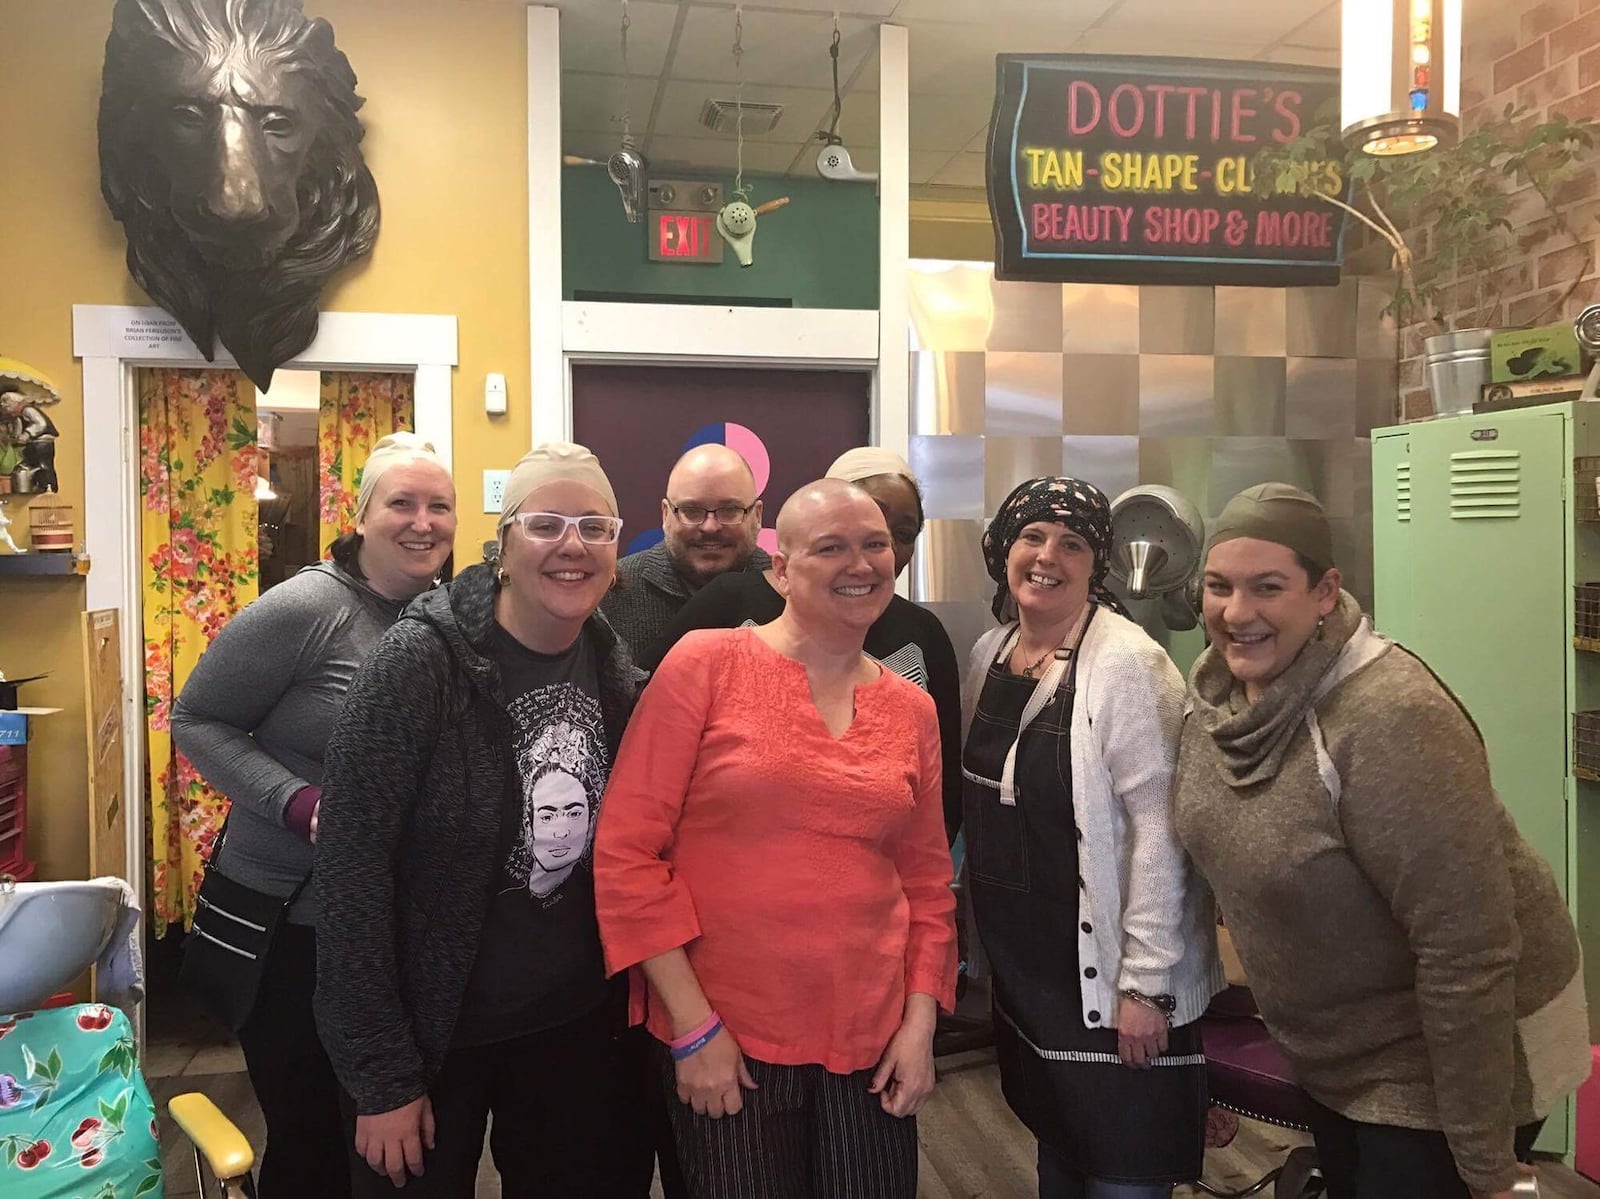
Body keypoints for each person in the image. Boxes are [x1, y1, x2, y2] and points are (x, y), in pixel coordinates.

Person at [1175, 483, 1590, 1199]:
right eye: (1220, 587)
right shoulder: (1212, 699)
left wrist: (1486, 1167)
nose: (1237, 612)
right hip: (1332, 1048)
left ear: (1325, 591)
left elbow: (1469, 949)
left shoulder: (1390, 718)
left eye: (1267, 587)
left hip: (1444, 1057)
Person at [595, 478, 958, 1199]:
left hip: (873, 1039)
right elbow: (627, 853)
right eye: (831, 547)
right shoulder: (705, 664)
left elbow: (926, 883)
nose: (859, 564)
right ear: (782, 569)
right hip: (729, 1035)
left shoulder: (910, 708)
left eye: (875, 544)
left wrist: (920, 1027)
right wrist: (693, 1030)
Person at [313, 443, 645, 1197]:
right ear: (503, 546)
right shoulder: (418, 663)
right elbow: (349, 871)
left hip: (568, 1025)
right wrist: (381, 1077)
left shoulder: (612, 668)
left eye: (595, 527)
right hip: (433, 1035)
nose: (572, 544)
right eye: (546, 523)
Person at [171, 431, 456, 1199]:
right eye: (402, 502)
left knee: (395, 1137)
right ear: (361, 516)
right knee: (312, 1139)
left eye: (440, 505)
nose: (422, 521)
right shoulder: (307, 608)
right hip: (288, 928)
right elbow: (196, 718)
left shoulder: (453, 619)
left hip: (396, 923)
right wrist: (299, 803)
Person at [960, 476, 1224, 1199]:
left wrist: (1146, 982)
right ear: (1003, 550)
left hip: (1109, 979)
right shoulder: (992, 651)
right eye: (1033, 537)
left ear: (1096, 562)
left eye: (1072, 543)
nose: (1049, 556)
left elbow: (1162, 834)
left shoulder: (1128, 665)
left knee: (1123, 1171)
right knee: (1062, 1151)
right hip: (1031, 974)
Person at [641, 447, 963, 839]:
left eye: (896, 537)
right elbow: (647, 784)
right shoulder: (723, 617)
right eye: (839, 540)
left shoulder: (923, 635)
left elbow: (940, 807)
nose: (875, 555)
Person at [601, 443, 768, 663]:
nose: (710, 527)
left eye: (730, 510)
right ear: (665, 514)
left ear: (757, 516)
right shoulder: (611, 594)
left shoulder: (793, 595)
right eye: (691, 511)